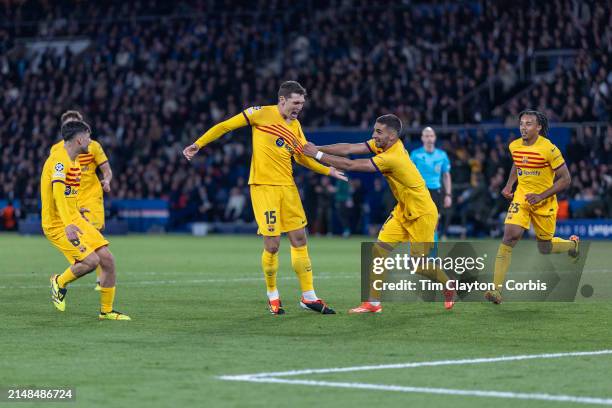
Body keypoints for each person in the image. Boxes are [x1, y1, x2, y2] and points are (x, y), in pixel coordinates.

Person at [183, 81, 347, 315]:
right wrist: (198, 144)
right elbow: (225, 126)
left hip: (288, 188)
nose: (299, 107)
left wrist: (327, 170)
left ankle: (309, 296)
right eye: (295, 102)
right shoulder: (259, 113)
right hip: (263, 187)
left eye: (302, 103)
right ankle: (273, 295)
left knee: (300, 239)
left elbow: (301, 157)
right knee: (273, 244)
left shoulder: (296, 125)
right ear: (282, 100)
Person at [303, 114, 456, 313]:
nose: (373, 135)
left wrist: (316, 155)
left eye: (378, 132)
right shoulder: (383, 144)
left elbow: (352, 165)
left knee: (419, 265)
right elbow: (349, 148)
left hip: (422, 212)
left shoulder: (393, 157)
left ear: (392, 137)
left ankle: (448, 283)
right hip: (403, 209)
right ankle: (373, 303)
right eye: (375, 130)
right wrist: (318, 148)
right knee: (378, 251)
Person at [485, 110, 579, 304]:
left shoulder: (549, 149)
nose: (523, 127)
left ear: (539, 127)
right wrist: (510, 184)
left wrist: (541, 196)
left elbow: (566, 179)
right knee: (509, 236)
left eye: (528, 124)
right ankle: (495, 290)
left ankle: (572, 245)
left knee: (545, 247)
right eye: (521, 123)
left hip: (544, 201)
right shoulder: (514, 145)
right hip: (522, 197)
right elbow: (517, 163)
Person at [42, 120, 130, 320]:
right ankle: (59, 281)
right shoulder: (58, 161)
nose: (91, 141)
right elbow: (57, 194)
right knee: (91, 261)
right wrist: (69, 223)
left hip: (74, 217)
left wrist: (75, 209)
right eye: (88, 137)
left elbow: (66, 194)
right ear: (80, 139)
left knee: (108, 260)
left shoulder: (74, 162)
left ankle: (106, 312)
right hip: (58, 224)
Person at [51, 110, 112, 291]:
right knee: (84, 239)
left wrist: (106, 180)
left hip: (91, 196)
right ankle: (82, 269)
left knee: (95, 235)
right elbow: (56, 183)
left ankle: (99, 278)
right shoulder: (57, 152)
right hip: (71, 199)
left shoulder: (93, 146)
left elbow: (106, 169)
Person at [411, 127, 452, 238]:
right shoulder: (415, 154)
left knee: (435, 222)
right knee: (418, 222)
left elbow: (446, 175)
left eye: (431, 136)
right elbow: (409, 175)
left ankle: (432, 252)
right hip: (420, 192)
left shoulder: (442, 155)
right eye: (427, 136)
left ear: (435, 138)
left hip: (436, 191)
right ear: (422, 138)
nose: (429, 138)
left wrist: (448, 194)